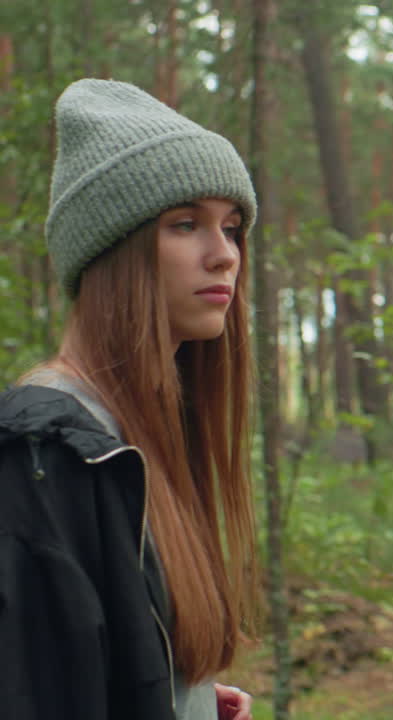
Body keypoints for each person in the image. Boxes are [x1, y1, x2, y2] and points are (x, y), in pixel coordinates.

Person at [0, 79, 258, 720]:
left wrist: (183, 696)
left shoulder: (137, 436)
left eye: (231, 228)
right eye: (185, 224)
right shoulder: (45, 458)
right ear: (112, 250)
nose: (224, 255)